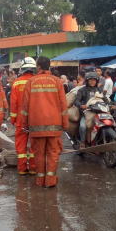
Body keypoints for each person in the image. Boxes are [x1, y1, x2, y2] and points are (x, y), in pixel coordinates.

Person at [20, 56, 68, 188]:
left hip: (36, 126)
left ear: (38, 67)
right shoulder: (57, 82)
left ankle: (40, 180)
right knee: (53, 152)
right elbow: (63, 105)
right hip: (54, 124)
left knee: (39, 153)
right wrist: (65, 124)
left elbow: (25, 106)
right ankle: (50, 181)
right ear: (49, 66)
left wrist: (25, 124)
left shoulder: (31, 82)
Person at [10, 57, 37, 175]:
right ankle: (33, 168)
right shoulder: (37, 81)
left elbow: (14, 103)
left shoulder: (16, 82)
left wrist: (13, 119)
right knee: (34, 143)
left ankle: (22, 169)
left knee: (21, 143)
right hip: (35, 118)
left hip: (21, 119)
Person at [74, 71, 109, 149]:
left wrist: (111, 104)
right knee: (83, 126)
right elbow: (76, 101)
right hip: (86, 114)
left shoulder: (99, 90)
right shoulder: (82, 90)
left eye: (94, 80)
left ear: (96, 81)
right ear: (87, 81)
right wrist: (81, 105)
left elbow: (105, 99)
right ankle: (82, 142)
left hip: (98, 112)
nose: (92, 81)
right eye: (90, 80)